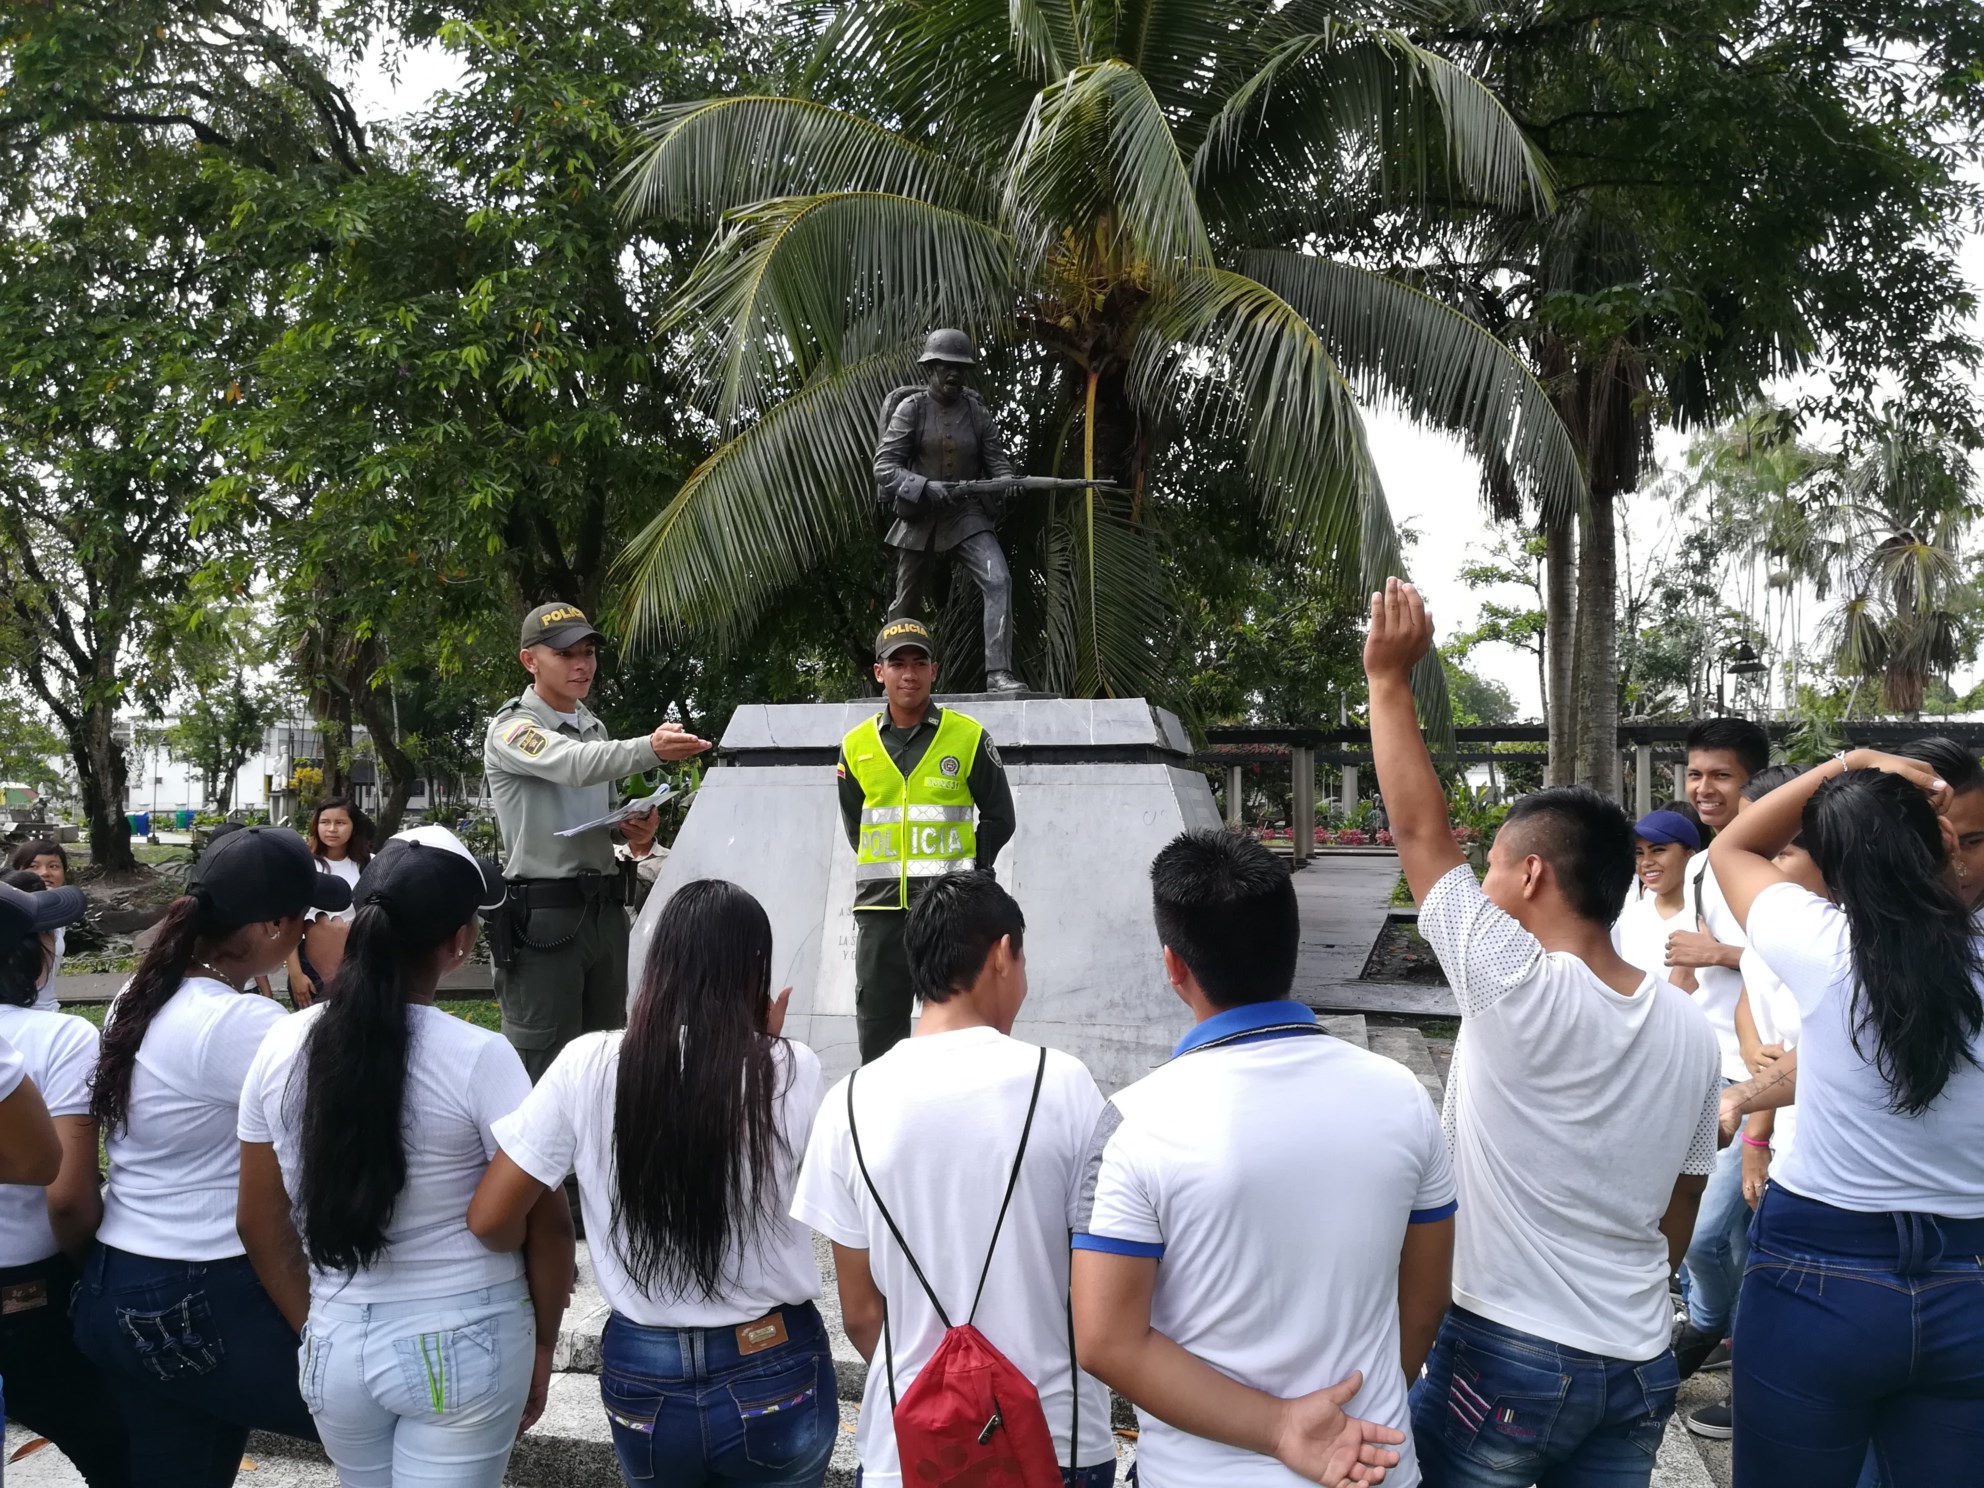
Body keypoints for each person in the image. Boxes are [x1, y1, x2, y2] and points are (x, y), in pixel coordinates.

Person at [1363, 579, 1721, 1488]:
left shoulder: (1513, 981)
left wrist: (1387, 679)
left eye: (1489, 869)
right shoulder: (1688, 1026)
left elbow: (1416, 830)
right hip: (1638, 1360)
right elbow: (1679, 1210)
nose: (1476, 886)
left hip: (1507, 1355)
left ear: (1530, 876)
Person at [1071, 829, 1448, 1487]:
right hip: (1376, 1462)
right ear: (1293, 944)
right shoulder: (1402, 1096)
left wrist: (1280, 1427)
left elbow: (1106, 1340)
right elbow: (1424, 1301)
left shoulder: (1137, 1123)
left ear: (1173, 965)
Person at [470, 880, 834, 1488]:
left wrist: (555, 1234)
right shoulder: (792, 1067)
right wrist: (768, 1044)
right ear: (756, 972)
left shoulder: (587, 1063)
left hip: (644, 1369)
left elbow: (490, 1218)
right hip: (770, 1357)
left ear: (657, 964)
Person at [236, 826, 569, 1486]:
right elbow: (548, 1223)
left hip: (335, 1343)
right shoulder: (479, 1058)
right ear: (460, 941)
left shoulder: (278, 1047)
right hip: (464, 1340)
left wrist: (320, 1326)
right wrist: (541, 1343)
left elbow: (257, 1220)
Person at [1705, 751, 1984, 1488]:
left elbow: (1733, 847)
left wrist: (1851, 761)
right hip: (1971, 1280)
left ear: (1827, 872)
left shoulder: (1820, 945)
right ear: (1949, 845)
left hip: (1816, 1279)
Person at [791, 871, 1115, 1487]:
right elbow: (1101, 1282)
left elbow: (860, 1315)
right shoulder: (1065, 1084)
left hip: (908, 1449)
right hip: (1056, 1440)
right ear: (1002, 954)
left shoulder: (849, 1102)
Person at [71, 826, 350, 1487]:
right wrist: (338, 975)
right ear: (272, 926)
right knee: (380, 1405)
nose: (311, 928)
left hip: (123, 1283)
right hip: (195, 1298)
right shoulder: (235, 1024)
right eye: (305, 917)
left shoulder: (143, 992)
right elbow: (358, 1108)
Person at [483, 601, 711, 1081]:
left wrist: (629, 827)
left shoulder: (593, 726)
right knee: (544, 1068)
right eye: (566, 654)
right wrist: (650, 748)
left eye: (588, 651)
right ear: (530, 661)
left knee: (606, 1060)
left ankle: (599, 1158)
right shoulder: (512, 728)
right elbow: (572, 763)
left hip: (605, 913)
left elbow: (597, 811)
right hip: (544, 920)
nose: (582, 664)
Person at [1681, 829, 1828, 1443]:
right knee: (1736, 1253)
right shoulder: (1777, 935)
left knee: (1732, 1248)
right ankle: (1722, 1343)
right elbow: (1759, 1022)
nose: (1766, 870)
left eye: (1785, 854)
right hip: (1767, 1121)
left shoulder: (1841, 942)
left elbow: (1819, 1051)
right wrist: (1752, 1114)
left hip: (1812, 1155)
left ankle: (1725, 1350)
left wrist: (1751, 1120)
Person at [837, 618, 1016, 1063]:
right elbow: (856, 826)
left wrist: (978, 871)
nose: (909, 674)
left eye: (919, 663)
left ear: (934, 670)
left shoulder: (968, 736)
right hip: (879, 913)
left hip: (950, 913)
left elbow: (999, 815)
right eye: (897, 664)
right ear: (880, 672)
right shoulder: (854, 746)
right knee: (879, 1032)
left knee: (956, 1029)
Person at [0, 879, 129, 1484]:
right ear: (32, 955)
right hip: (29, 1297)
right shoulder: (61, 1038)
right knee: (116, 1449)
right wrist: (89, 1275)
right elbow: (70, 1200)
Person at [1662, 722, 1774, 1379]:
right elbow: (1688, 970)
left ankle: (1709, 1326)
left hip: (1764, 1081)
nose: (1704, 788)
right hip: (1705, 1070)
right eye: (1696, 774)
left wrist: (1721, 953)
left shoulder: (1783, 862)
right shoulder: (1702, 866)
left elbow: (1813, 956)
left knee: (1709, 1233)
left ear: (1753, 781)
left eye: (1721, 775)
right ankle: (1737, 1335)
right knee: (1722, 1232)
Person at [873, 328, 1025, 691]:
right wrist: (923, 486)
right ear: (932, 368)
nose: (954, 375)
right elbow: (884, 466)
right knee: (906, 602)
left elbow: (997, 462)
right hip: (920, 516)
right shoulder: (912, 410)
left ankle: (998, 674)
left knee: (998, 579)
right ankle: (893, 675)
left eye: (960, 368)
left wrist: (1008, 481)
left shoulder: (977, 414)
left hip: (966, 515)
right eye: (946, 367)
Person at [285, 797, 373, 1006]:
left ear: (354, 826)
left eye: (340, 823)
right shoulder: (303, 864)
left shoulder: (370, 864)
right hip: (309, 962)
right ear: (316, 825)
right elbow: (289, 923)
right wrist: (296, 974)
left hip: (357, 960)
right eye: (325, 822)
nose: (332, 829)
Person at [1610, 808, 1701, 992]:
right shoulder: (1629, 917)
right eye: (1638, 853)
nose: (1646, 862)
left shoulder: (1710, 915)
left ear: (1690, 855)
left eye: (1658, 850)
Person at [1889, 736, 1984, 908]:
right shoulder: (1846, 925)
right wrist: (1851, 761)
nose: (1956, 867)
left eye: (1972, 842)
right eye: (1931, 844)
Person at [10, 838, 72, 1010]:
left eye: (54, 866)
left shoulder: (59, 917)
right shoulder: (8, 916)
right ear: (18, 872)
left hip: (48, 1011)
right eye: (33, 866)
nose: (45, 873)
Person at [613, 800, 666, 918]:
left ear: (656, 821)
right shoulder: (610, 855)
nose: (637, 825)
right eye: (631, 820)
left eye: (643, 819)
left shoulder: (670, 860)